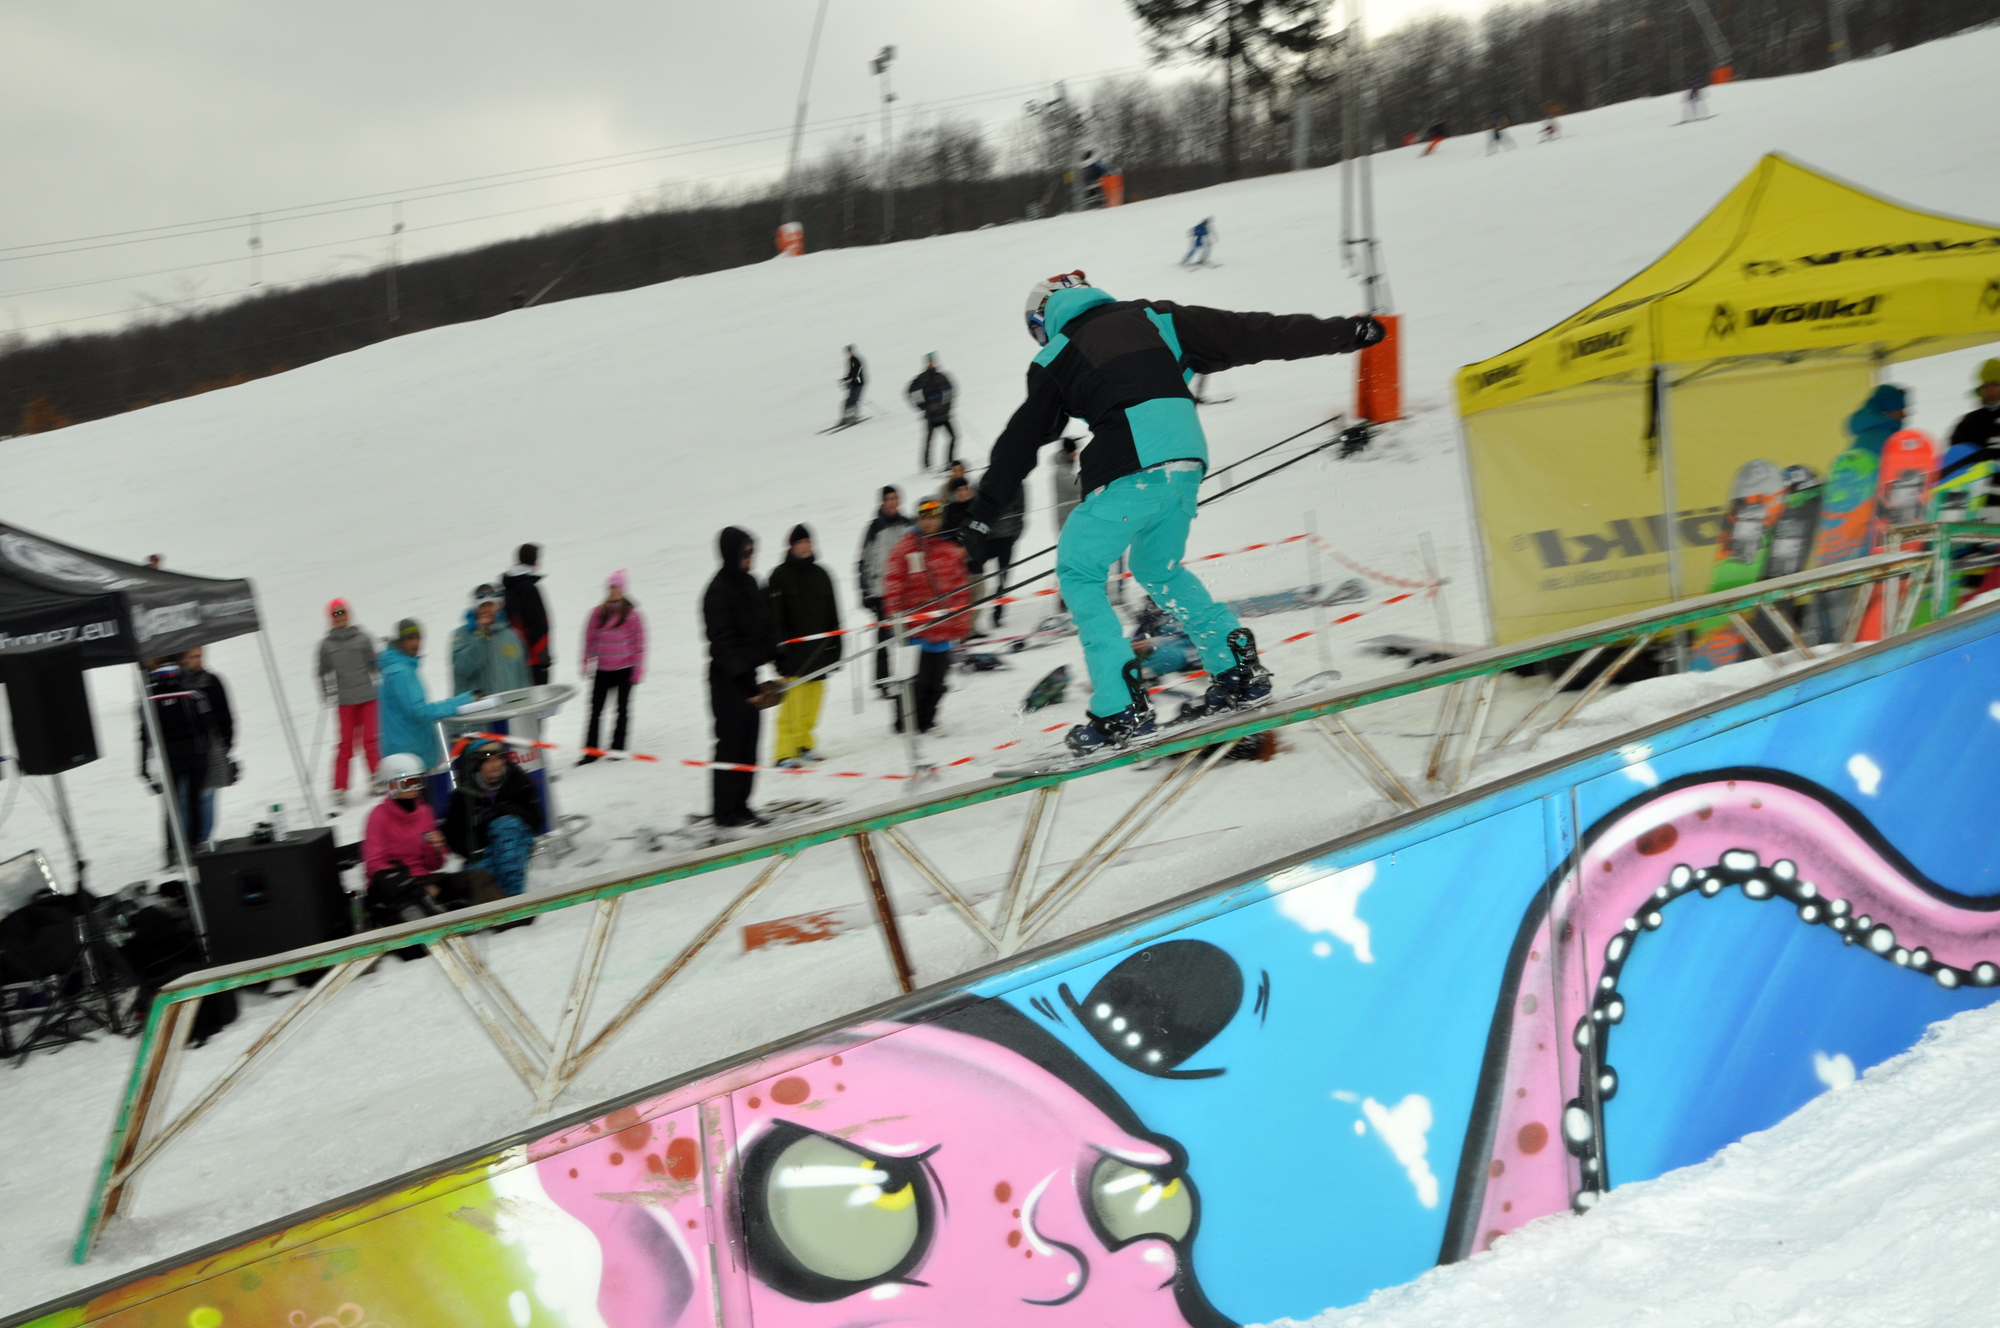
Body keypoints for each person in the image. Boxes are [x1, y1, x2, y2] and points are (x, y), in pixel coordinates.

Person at [961, 270, 1381, 754]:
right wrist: (1345, 333)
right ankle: (1236, 667)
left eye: (1037, 330)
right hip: (1186, 462)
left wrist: (981, 513)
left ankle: (1120, 707)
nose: (1040, 339)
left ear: (1045, 316)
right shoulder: (1156, 317)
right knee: (1157, 568)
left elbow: (1019, 442)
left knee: (1079, 571)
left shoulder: (1057, 355)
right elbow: (1254, 331)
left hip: (1132, 465)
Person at [362, 752, 499, 931]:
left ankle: (506, 917)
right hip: (400, 888)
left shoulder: (424, 811)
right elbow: (374, 864)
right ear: (391, 785)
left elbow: (435, 864)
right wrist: (415, 886)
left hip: (427, 879)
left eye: (418, 781)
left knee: (479, 878)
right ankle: (447, 921)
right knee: (425, 902)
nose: (415, 787)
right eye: (408, 783)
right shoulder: (378, 816)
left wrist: (435, 848)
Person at [703, 527, 780, 827]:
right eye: (746, 552)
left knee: (750, 744)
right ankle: (725, 811)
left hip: (749, 676)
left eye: (752, 551)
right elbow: (722, 644)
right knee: (730, 745)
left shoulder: (751, 583)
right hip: (727, 681)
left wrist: (776, 653)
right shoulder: (717, 592)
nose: (751, 557)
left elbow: (764, 624)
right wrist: (745, 684)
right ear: (731, 554)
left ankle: (743, 805)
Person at [882, 497, 972, 734]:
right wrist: (896, 620)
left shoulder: (950, 549)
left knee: (937, 682)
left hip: (942, 631)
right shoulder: (905, 549)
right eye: (925, 517)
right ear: (919, 519)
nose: (930, 522)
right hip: (915, 630)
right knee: (914, 683)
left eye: (934, 517)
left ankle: (927, 720)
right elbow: (893, 585)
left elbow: (960, 588)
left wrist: (962, 623)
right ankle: (906, 723)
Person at [378, 619, 477, 815]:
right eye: (410, 638)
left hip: (407, 755)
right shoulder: (400, 672)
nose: (416, 643)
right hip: (410, 759)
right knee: (421, 817)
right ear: (400, 641)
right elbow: (420, 712)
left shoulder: (399, 668)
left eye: (418, 637)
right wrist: (461, 702)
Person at [766, 525, 841, 767]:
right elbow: (772, 618)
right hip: (793, 656)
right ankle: (784, 753)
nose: (805, 546)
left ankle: (803, 744)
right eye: (800, 542)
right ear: (791, 546)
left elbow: (833, 612)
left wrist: (836, 645)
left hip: (819, 651)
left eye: (808, 541)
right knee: (791, 706)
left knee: (813, 704)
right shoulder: (778, 577)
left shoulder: (822, 574)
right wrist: (777, 654)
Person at [443, 739, 543, 897]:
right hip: (483, 848)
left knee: (505, 826)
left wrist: (503, 811)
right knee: (477, 884)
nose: (495, 764)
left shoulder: (519, 782)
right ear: (477, 765)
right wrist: (471, 847)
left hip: (516, 840)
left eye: (498, 759)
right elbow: (452, 834)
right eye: (488, 761)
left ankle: (513, 899)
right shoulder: (463, 794)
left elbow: (537, 820)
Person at [139, 657, 214, 860]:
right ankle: (196, 847)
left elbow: (144, 737)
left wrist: (143, 767)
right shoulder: (194, 695)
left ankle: (172, 851)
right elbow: (208, 726)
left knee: (171, 807)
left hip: (170, 760)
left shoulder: (148, 702)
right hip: (197, 757)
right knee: (194, 801)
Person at [317, 598, 381, 808]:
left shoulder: (363, 638)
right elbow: (321, 673)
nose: (339, 617)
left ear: (348, 614)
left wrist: (382, 683)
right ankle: (340, 788)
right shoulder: (326, 645)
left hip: (367, 697)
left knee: (369, 741)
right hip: (345, 701)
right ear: (330, 619)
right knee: (345, 745)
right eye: (335, 614)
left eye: (342, 612)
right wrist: (326, 693)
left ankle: (377, 778)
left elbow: (374, 664)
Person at [578, 571, 646, 763]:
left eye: (617, 587)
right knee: (595, 710)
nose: (614, 591)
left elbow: (639, 645)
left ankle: (618, 749)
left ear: (623, 590)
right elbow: (589, 639)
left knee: (622, 710)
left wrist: (638, 670)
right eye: (611, 587)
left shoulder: (632, 616)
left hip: (625, 669)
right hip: (602, 670)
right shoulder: (597, 613)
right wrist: (586, 661)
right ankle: (591, 751)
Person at [856, 487, 913, 689]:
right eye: (888, 499)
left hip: (906, 592)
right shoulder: (874, 528)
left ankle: (909, 677)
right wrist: (866, 593)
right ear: (882, 502)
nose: (892, 502)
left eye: (895, 498)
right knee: (883, 640)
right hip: (882, 593)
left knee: (910, 636)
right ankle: (882, 681)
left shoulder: (908, 524)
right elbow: (864, 561)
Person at [179, 646, 234, 843]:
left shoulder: (212, 681)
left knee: (207, 795)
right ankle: (187, 843)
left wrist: (226, 743)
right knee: (185, 799)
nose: (198, 660)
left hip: (212, 747)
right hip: (188, 750)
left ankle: (203, 840)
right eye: (193, 656)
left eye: (200, 656)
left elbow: (226, 714)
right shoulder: (176, 684)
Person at [453, 583, 532, 698]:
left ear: (498, 607)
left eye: (490, 605)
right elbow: (463, 670)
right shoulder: (462, 635)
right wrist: (481, 635)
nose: (487, 610)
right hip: (479, 709)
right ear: (475, 609)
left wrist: (527, 699)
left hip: (510, 707)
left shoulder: (511, 635)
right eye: (482, 606)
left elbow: (522, 674)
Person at [502, 544, 553, 687]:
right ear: (535, 562)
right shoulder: (529, 588)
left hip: (515, 657)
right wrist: (544, 657)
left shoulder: (509, 586)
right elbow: (537, 623)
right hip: (534, 658)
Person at [906, 354, 957, 471]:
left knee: (952, 437)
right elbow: (909, 392)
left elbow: (950, 391)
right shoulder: (923, 378)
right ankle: (927, 465)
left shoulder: (940, 376)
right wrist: (922, 407)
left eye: (933, 361)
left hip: (942, 414)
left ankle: (948, 462)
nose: (931, 364)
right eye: (930, 362)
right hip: (932, 415)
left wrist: (947, 408)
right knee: (930, 441)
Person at [1846, 383, 1909, 459]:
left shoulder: (1883, 436)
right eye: (1900, 409)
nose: (1904, 414)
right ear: (1888, 411)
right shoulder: (1874, 440)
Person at [1052, 437, 1083, 530]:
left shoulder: (1066, 470)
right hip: (1067, 521)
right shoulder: (1062, 472)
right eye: (1073, 452)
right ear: (1068, 452)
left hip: (1071, 519)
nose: (1075, 455)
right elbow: (1079, 485)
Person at [840, 345, 866, 427]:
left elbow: (858, 371)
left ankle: (852, 417)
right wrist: (846, 379)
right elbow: (851, 372)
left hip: (859, 383)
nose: (848, 353)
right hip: (855, 383)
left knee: (853, 400)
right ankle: (846, 417)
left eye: (849, 351)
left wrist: (853, 380)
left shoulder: (856, 360)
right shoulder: (851, 360)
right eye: (847, 352)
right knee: (849, 401)